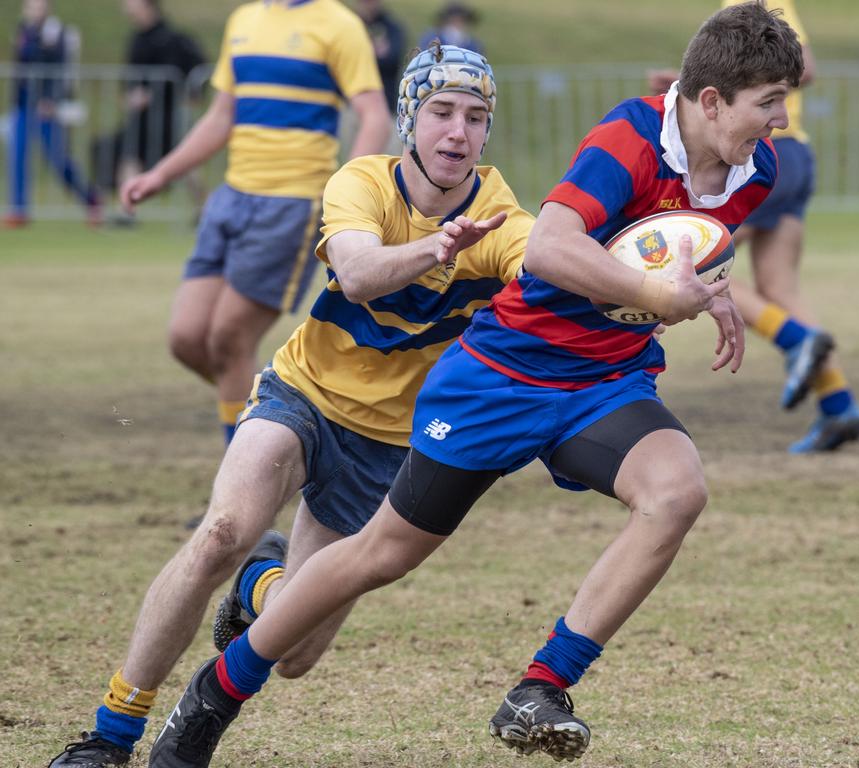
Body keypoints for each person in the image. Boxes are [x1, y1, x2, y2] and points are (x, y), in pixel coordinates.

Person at [150, 3, 802, 764]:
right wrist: (662, 298)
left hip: (606, 379)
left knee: (676, 493)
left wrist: (707, 288)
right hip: (502, 373)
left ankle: (542, 688)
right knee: (381, 555)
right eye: (769, 102)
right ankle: (216, 693)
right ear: (714, 100)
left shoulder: (758, 170)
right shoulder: (626, 140)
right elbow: (553, 247)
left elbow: (665, 247)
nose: (783, 120)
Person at [47, 43, 533, 767]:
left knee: (298, 652)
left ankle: (265, 580)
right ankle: (109, 736)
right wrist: (438, 248)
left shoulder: (500, 216)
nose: (457, 133)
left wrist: (657, 279)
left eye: (475, 116)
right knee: (221, 532)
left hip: (391, 444)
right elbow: (362, 273)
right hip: (302, 393)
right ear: (410, 118)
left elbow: (553, 269)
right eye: (441, 113)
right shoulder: (361, 181)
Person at [116, 0, 392, 450]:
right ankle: (280, 415)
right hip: (231, 200)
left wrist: (348, 192)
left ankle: (241, 498)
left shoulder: (339, 25)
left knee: (228, 338)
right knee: (187, 338)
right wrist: (160, 173)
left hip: (292, 204)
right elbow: (221, 116)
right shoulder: (243, 20)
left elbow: (374, 116)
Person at [650, 0, 859, 453]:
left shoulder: (750, 7)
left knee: (706, 265)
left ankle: (797, 339)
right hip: (794, 156)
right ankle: (839, 404)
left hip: (765, 154)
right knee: (780, 287)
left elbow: (799, 68)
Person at [91, 0, 207, 222]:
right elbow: (131, 74)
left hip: (167, 113)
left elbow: (190, 69)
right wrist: (129, 93)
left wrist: (191, 94)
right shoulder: (137, 39)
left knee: (184, 160)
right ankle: (127, 211)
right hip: (141, 115)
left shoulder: (171, 38)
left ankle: (206, 207)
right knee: (129, 153)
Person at [5, 0, 101, 228]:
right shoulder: (24, 32)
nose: (34, 11)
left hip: (47, 108)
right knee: (17, 156)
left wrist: (52, 100)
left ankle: (91, 199)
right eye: (30, 6)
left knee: (58, 160)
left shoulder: (58, 33)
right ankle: (18, 210)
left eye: (39, 6)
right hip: (23, 105)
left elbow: (63, 70)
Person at [355, 0, 407, 113]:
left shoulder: (392, 27)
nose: (368, 5)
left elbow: (393, 60)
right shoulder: (350, 25)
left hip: (385, 103)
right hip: (352, 103)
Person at [418, 2, 485, 54]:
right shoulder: (431, 38)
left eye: (462, 21)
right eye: (454, 21)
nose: (458, 24)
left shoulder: (472, 43)